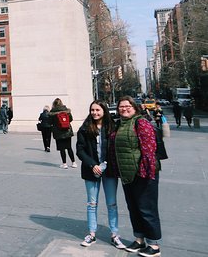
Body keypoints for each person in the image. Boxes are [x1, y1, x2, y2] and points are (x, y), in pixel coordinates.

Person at [110, 96, 162, 257]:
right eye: (121, 106)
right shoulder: (119, 124)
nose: (124, 109)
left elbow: (148, 150)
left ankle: (153, 245)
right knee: (133, 207)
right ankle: (139, 240)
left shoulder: (141, 123)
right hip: (127, 174)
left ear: (134, 107)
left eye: (127, 106)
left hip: (143, 173)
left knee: (146, 208)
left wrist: (146, 171)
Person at [76, 101, 126, 249]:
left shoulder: (112, 127)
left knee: (112, 204)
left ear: (104, 110)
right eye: (92, 110)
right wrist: (93, 165)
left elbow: (117, 148)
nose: (95, 113)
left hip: (109, 170)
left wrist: (104, 165)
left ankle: (114, 235)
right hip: (91, 170)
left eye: (98, 110)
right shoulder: (84, 128)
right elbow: (80, 150)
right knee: (92, 204)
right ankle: (92, 234)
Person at [49, 98, 77, 168]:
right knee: (69, 148)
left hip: (58, 133)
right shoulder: (66, 111)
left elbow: (50, 122)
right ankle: (73, 163)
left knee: (62, 149)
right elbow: (71, 119)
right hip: (67, 131)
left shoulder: (52, 113)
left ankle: (64, 164)